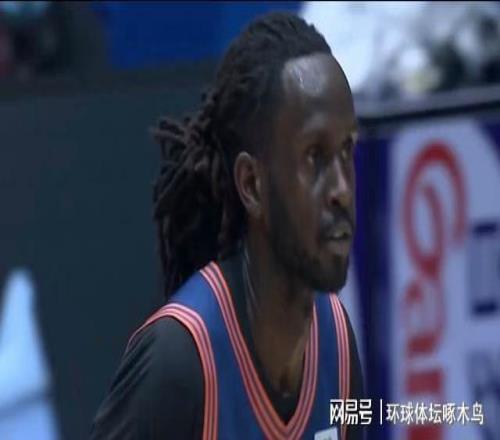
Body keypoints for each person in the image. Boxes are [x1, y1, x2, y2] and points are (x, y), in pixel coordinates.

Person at [90, 11, 364, 440]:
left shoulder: (338, 346)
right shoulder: (178, 363)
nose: (342, 190)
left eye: (346, 151)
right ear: (252, 185)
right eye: (314, 157)